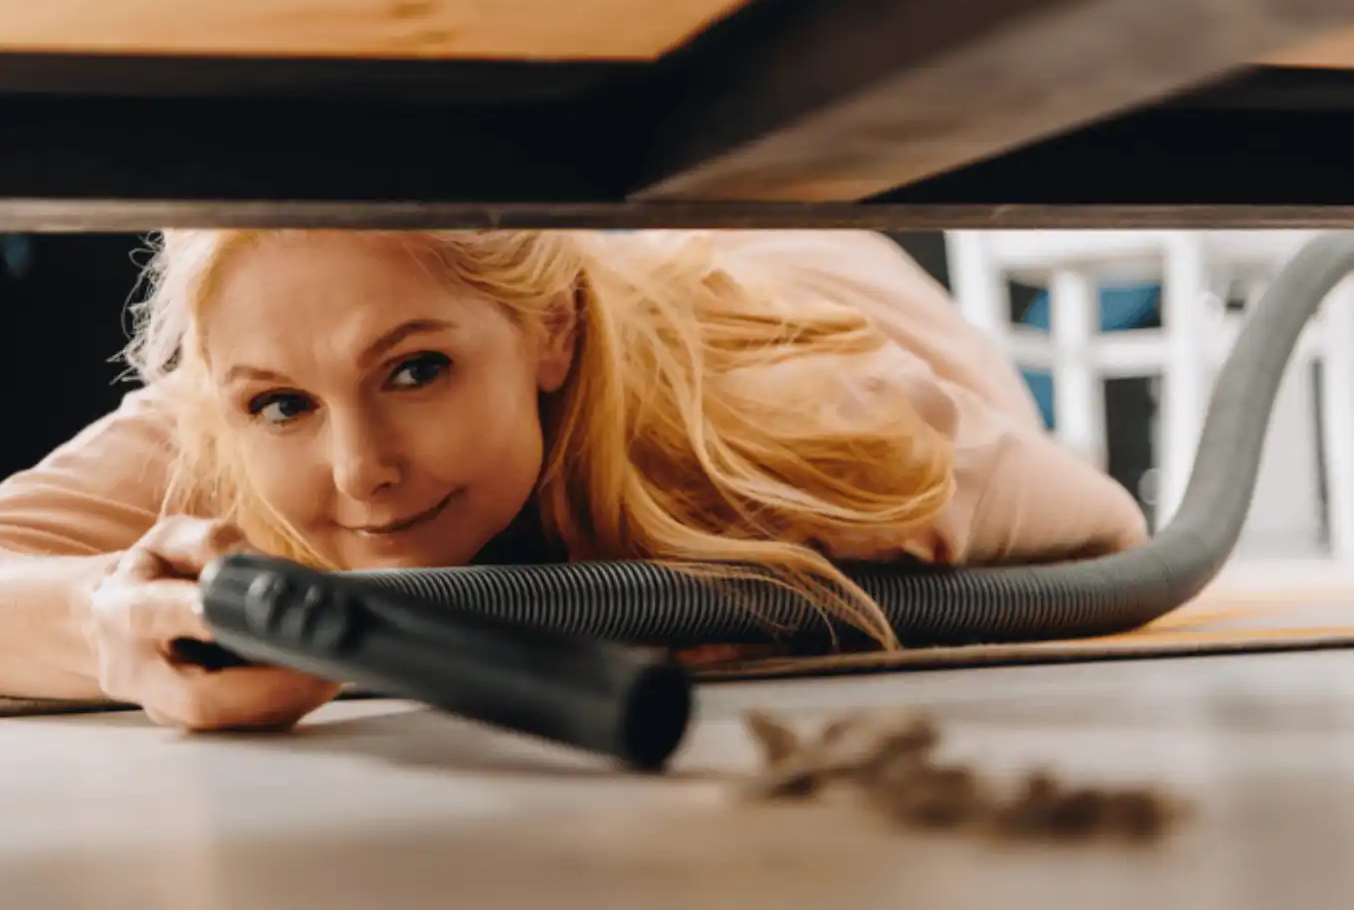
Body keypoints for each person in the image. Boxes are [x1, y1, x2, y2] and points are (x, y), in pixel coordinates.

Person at [0, 229, 1147, 731]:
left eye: (416, 370)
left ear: (547, 335)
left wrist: (754, 583)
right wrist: (108, 624)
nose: (361, 470)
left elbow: (1110, 528)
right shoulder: (228, 402)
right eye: (283, 406)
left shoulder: (799, 413)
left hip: (780, 269)